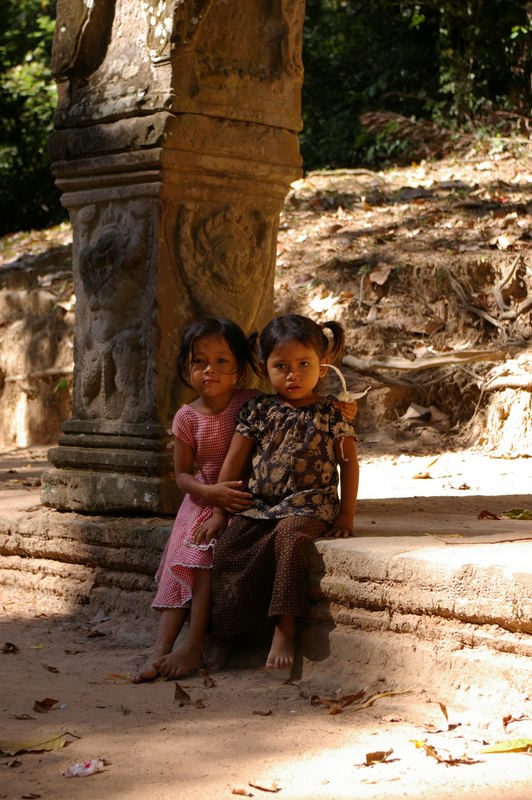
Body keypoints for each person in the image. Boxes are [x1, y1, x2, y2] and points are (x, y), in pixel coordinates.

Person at [195, 314, 359, 673]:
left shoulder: (333, 413)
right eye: (280, 366)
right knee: (228, 549)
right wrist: (221, 510)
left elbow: (349, 464)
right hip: (259, 505)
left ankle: (284, 627)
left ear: (323, 366)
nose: (293, 374)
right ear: (263, 366)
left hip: (309, 504)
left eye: (304, 364)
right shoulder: (258, 410)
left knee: (289, 540)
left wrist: (346, 514)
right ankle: (225, 633)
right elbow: (234, 462)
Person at [132, 318, 258, 682]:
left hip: (238, 498)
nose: (210, 370)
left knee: (206, 555)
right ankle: (161, 648)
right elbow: (183, 475)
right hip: (201, 499)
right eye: (199, 361)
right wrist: (209, 493)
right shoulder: (186, 418)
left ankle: (194, 643)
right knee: (192, 553)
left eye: (221, 361)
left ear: (240, 368)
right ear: (185, 369)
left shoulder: (249, 403)